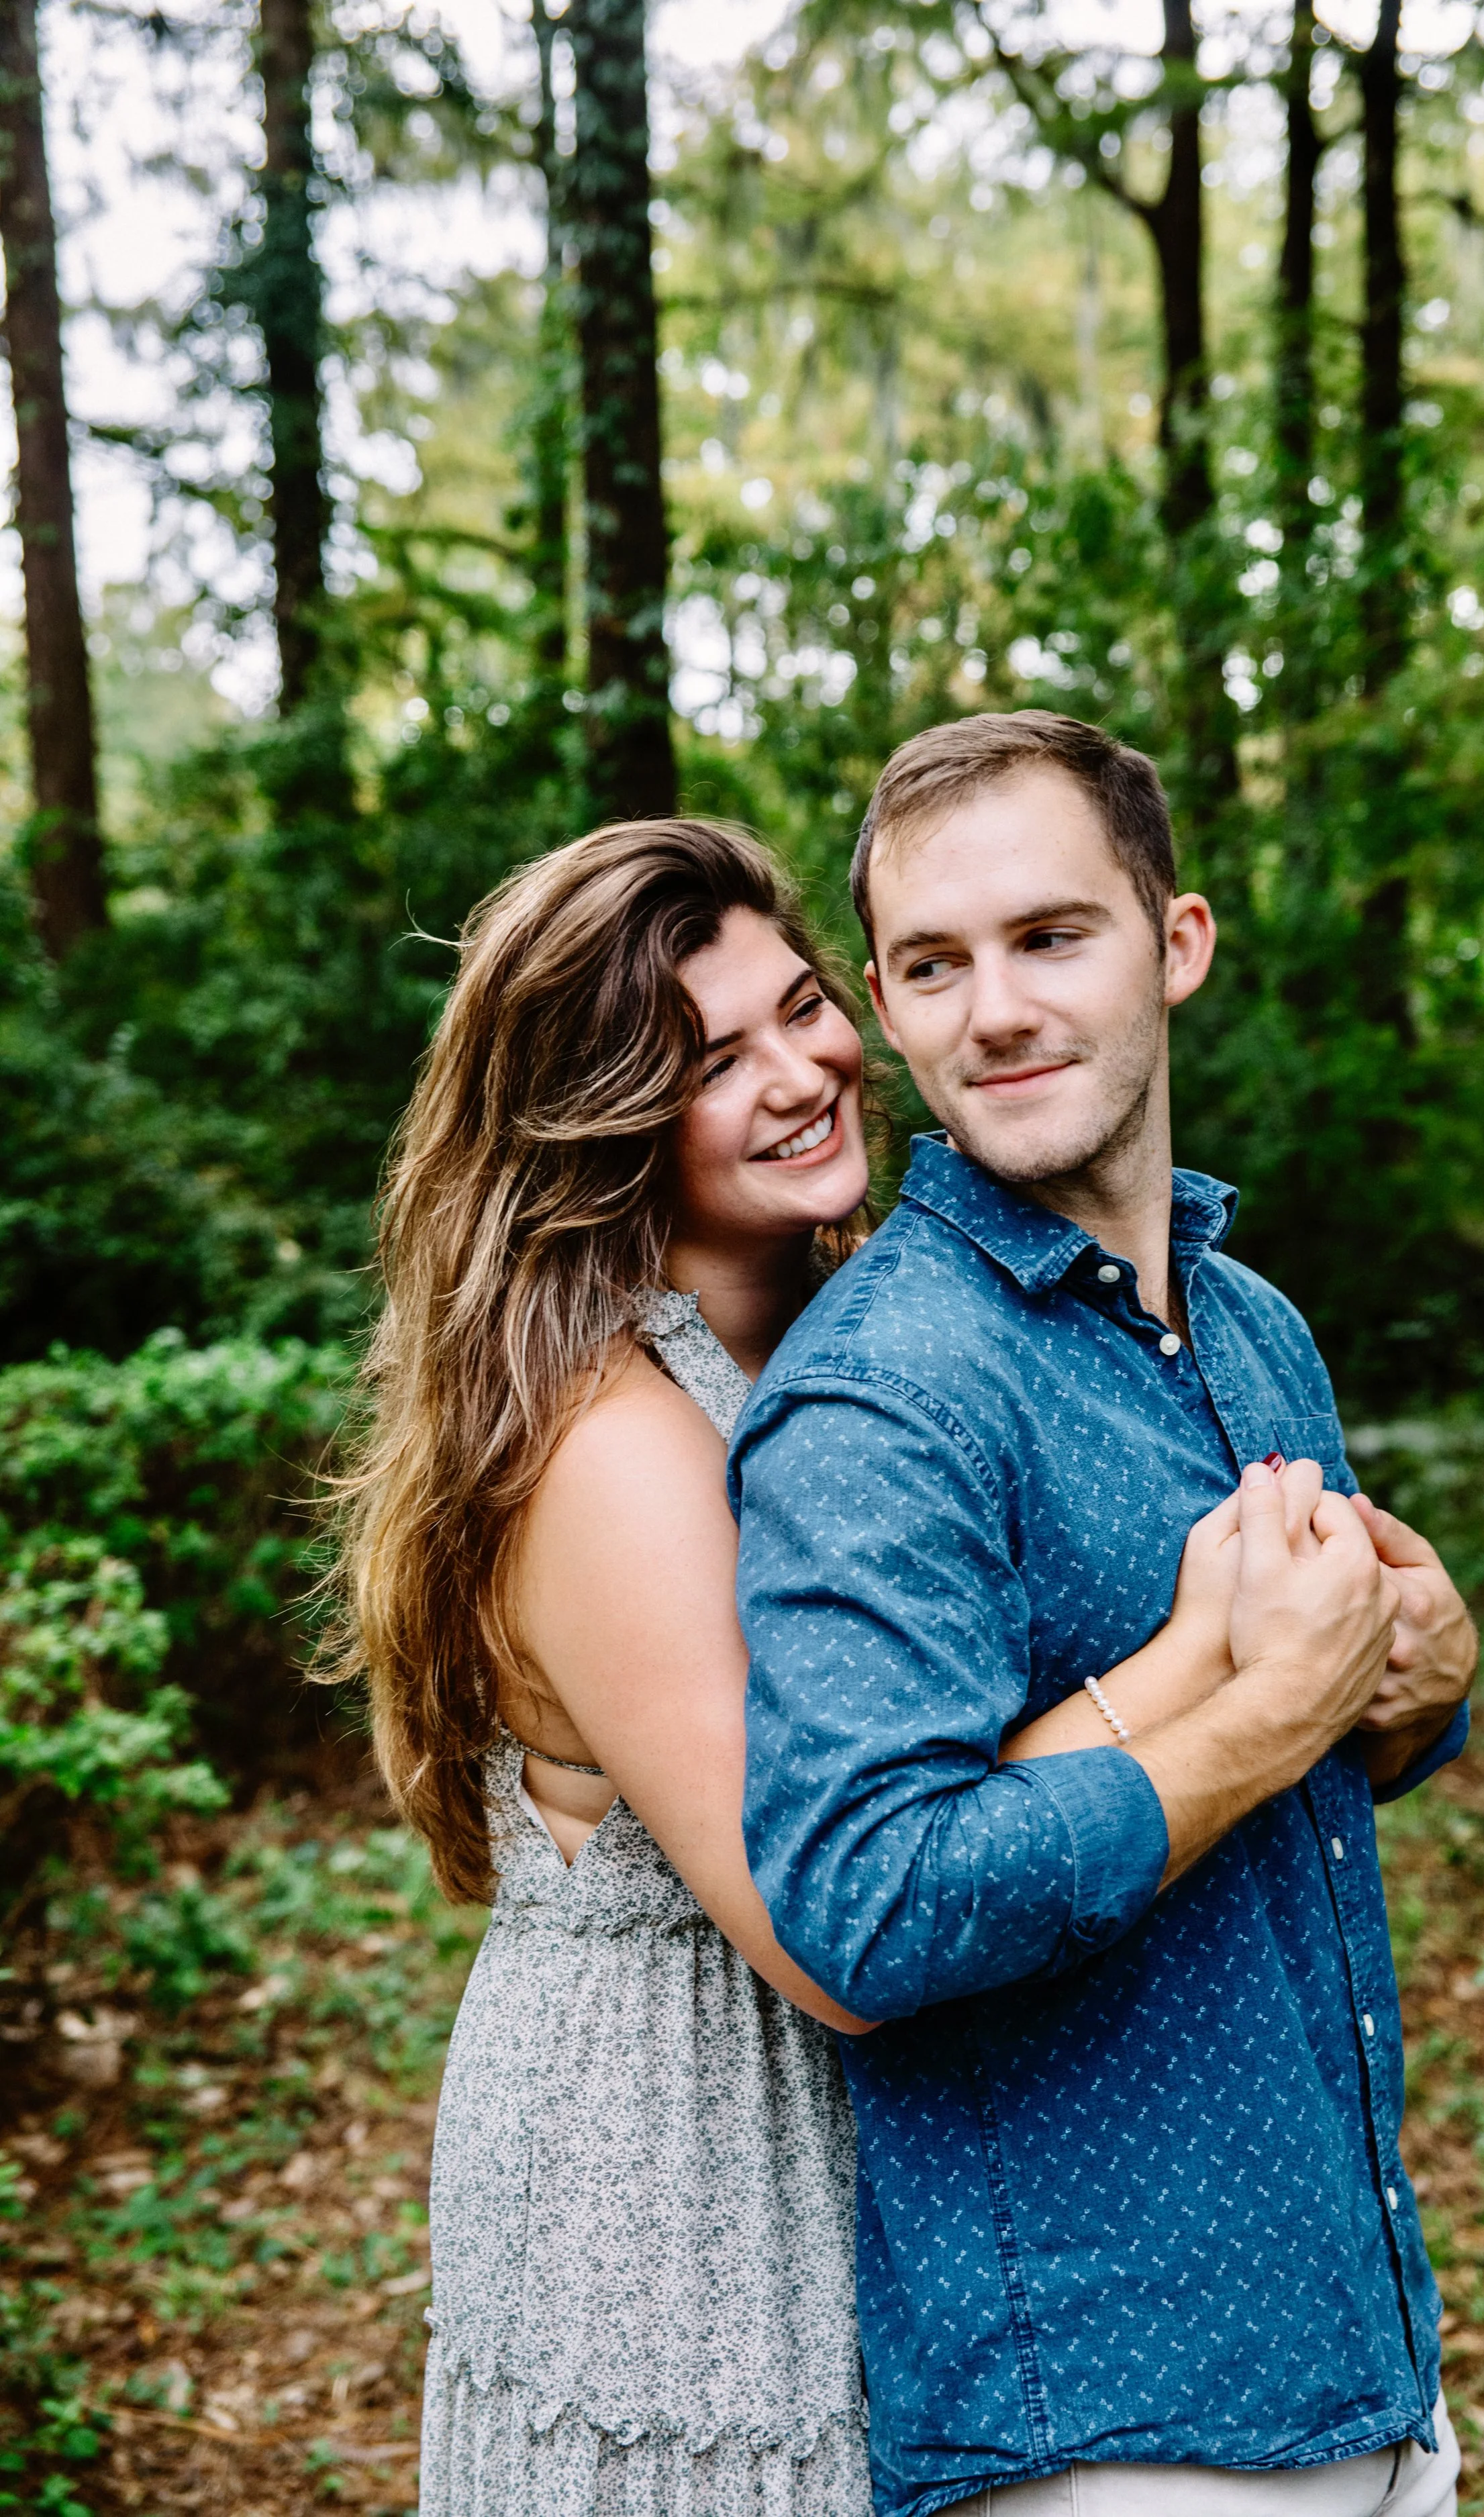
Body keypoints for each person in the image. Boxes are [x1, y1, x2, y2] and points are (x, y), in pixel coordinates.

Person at [333, 816, 1253, 2517]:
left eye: (802, 1007)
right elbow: (837, 1921)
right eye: (707, 1063)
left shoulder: (856, 1334)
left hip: (907, 2143)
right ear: (598, 1119)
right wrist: (1214, 1662)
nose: (798, 1075)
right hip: (687, 2172)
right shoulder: (608, 1442)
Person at [731, 713, 1479, 2517]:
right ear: (887, 1009)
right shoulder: (878, 1397)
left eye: (1049, 936)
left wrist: (1417, 1689)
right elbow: (866, 1902)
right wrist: (1265, 1714)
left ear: (1175, 941)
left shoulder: (1253, 1327)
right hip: (1107, 2418)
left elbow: (1323, 1731)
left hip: (1358, 2341)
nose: (992, 1010)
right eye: (932, 964)